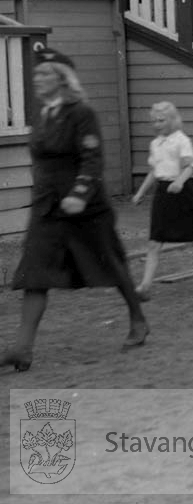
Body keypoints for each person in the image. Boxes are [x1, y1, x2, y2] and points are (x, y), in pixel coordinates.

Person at [2, 48, 150, 371]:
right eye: (37, 74)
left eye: (46, 74)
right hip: (48, 209)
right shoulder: (44, 114)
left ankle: (137, 319)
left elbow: (92, 159)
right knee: (34, 273)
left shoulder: (81, 113)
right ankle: (22, 349)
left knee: (110, 263)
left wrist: (79, 194)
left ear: (63, 79)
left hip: (85, 208)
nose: (38, 79)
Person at [131, 101, 193, 299]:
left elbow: (190, 167)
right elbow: (153, 171)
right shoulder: (155, 144)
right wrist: (140, 192)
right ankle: (145, 285)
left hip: (182, 192)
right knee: (154, 241)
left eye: (161, 120)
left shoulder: (181, 140)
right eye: (154, 121)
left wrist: (180, 182)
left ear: (172, 120)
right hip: (163, 194)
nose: (157, 124)